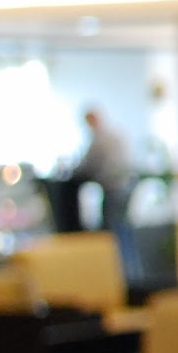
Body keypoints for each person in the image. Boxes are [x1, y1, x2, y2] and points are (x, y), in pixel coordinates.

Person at [64, 106, 137, 269]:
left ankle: (118, 271)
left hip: (114, 188)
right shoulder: (116, 134)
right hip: (126, 185)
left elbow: (86, 165)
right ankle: (130, 271)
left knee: (112, 232)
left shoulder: (100, 138)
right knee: (123, 229)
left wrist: (72, 172)